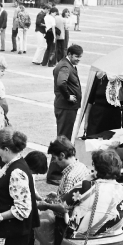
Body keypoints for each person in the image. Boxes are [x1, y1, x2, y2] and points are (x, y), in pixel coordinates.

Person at [46, 45, 84, 185]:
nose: (79, 59)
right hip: (66, 107)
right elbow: (61, 83)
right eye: (76, 56)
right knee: (62, 140)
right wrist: (68, 97)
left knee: (63, 138)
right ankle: (54, 173)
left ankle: (57, 171)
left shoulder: (66, 64)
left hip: (65, 107)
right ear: (70, 54)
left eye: (80, 57)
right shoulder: (65, 67)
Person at [24, 151, 55, 245]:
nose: (35, 174)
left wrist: (40, 199)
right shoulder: (23, 175)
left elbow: (33, 191)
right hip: (26, 220)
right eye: (35, 171)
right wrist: (40, 205)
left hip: (29, 219)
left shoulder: (26, 173)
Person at [83, 72, 121, 136]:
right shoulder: (99, 77)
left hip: (113, 119)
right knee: (92, 141)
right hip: (96, 118)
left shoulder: (121, 80)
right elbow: (90, 101)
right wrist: (86, 122)